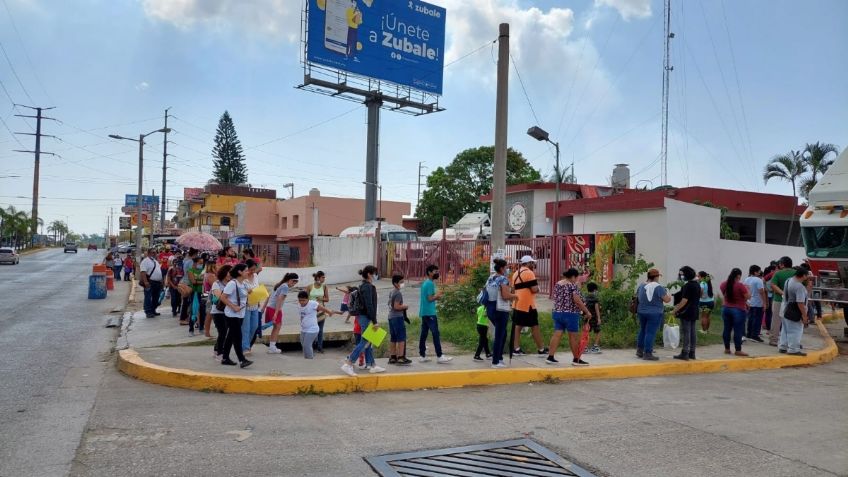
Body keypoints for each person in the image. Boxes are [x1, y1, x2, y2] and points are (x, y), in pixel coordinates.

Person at [341, 266, 385, 375]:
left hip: (364, 316)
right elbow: (369, 305)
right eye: (375, 273)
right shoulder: (367, 287)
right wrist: (374, 321)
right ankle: (349, 363)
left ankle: (372, 365)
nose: (376, 276)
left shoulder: (364, 286)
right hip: (366, 317)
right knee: (365, 341)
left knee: (368, 342)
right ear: (370, 274)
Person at [547, 268, 593, 366]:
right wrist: (587, 311)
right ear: (573, 277)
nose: (576, 280)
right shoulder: (572, 286)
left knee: (557, 334)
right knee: (573, 336)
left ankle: (550, 357)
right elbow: (577, 300)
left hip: (557, 312)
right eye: (576, 278)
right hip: (570, 314)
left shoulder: (558, 284)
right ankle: (576, 359)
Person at [510, 256, 548, 357]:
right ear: (528, 263)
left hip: (517, 304)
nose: (533, 265)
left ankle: (516, 349)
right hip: (528, 305)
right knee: (535, 326)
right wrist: (538, 288)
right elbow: (534, 289)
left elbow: (513, 290)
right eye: (532, 263)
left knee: (518, 326)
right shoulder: (529, 273)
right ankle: (541, 349)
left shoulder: (515, 274)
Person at [219, 263, 252, 368]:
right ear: (240, 272)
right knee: (238, 337)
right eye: (246, 270)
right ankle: (242, 360)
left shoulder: (244, 283)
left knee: (231, 336)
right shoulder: (232, 284)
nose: (248, 272)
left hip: (240, 314)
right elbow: (223, 297)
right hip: (232, 314)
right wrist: (233, 306)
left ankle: (225, 358)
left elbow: (247, 294)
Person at [418, 264, 453, 363]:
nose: (437, 273)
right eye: (435, 272)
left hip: (425, 312)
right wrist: (438, 296)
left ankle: (422, 355)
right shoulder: (429, 284)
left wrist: (436, 296)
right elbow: (430, 299)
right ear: (429, 272)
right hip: (430, 313)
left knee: (424, 334)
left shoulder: (425, 283)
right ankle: (440, 355)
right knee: (435, 333)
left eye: (437, 271)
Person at [635, 268, 671, 360]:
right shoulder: (658, 287)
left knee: (642, 330)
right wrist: (669, 296)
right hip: (654, 313)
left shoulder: (642, 285)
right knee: (650, 332)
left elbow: (638, 297)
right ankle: (648, 353)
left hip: (641, 311)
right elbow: (666, 300)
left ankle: (639, 350)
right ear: (656, 277)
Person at [486, 258, 516, 368]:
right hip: (500, 309)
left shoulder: (490, 278)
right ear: (502, 268)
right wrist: (516, 296)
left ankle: (499, 357)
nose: (507, 269)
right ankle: (495, 361)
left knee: (503, 334)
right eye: (506, 267)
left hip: (490, 308)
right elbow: (505, 296)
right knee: (499, 335)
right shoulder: (503, 279)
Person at [296, 291, 340, 359]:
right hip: (303, 329)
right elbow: (302, 316)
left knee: (307, 345)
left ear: (308, 299)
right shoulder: (298, 305)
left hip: (312, 329)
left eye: (303, 300)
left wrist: (329, 312)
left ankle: (310, 360)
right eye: (300, 300)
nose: (301, 302)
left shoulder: (312, 303)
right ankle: (306, 360)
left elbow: (322, 308)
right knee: (304, 346)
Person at [778, 267, 810, 356]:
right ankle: (793, 349)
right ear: (803, 275)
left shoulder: (789, 281)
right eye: (807, 275)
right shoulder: (799, 286)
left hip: (785, 308)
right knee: (795, 330)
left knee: (785, 329)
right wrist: (804, 315)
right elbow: (800, 302)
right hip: (794, 310)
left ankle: (783, 346)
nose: (807, 277)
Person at [672, 266, 701, 360]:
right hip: (694, 310)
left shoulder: (688, 286)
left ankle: (685, 352)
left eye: (682, 275)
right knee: (692, 332)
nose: (681, 277)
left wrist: (675, 310)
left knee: (686, 332)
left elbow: (684, 301)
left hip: (686, 312)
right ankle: (692, 352)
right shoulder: (697, 284)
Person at [720, 268, 751, 357]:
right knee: (738, 330)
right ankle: (738, 350)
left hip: (726, 308)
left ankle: (727, 348)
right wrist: (748, 290)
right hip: (738, 309)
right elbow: (747, 297)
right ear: (738, 276)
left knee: (726, 329)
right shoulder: (740, 285)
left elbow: (724, 294)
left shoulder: (723, 284)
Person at [265, 273, 298, 354]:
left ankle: (272, 346)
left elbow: (269, 296)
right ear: (290, 280)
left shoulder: (279, 284)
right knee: (277, 327)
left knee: (275, 327)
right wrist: (276, 312)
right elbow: (280, 299)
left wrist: (263, 308)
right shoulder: (285, 287)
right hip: (275, 309)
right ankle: (272, 347)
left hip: (270, 307)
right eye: (294, 282)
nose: (294, 285)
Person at [769, 256, 795, 346]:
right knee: (791, 321)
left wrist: (783, 293)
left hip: (778, 300)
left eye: (779, 263)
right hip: (793, 301)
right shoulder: (796, 273)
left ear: (782, 264)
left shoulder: (778, 273)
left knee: (776, 320)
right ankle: (790, 341)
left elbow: (772, 285)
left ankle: (773, 340)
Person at [209, 264, 232, 361]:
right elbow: (220, 296)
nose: (230, 274)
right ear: (224, 273)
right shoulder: (216, 284)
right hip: (217, 312)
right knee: (222, 332)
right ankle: (219, 353)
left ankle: (216, 350)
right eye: (229, 272)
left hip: (227, 311)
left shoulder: (231, 283)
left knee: (224, 332)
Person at [388, 274, 412, 365]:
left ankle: (393, 357)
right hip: (397, 317)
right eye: (401, 282)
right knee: (401, 338)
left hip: (391, 317)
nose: (403, 283)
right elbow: (396, 306)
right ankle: (401, 357)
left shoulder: (392, 292)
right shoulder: (398, 293)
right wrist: (405, 306)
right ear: (395, 283)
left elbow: (390, 305)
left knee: (393, 338)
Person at [240, 259, 263, 354]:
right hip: (245, 306)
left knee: (254, 326)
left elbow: (257, 288)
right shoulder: (242, 279)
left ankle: (245, 345)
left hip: (255, 304)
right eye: (251, 270)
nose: (253, 272)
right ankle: (245, 347)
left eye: (254, 269)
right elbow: (240, 291)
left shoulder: (256, 276)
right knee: (245, 328)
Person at [306, 271, 330, 353]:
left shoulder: (324, 287)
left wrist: (321, 299)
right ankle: (310, 346)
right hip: (311, 311)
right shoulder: (309, 287)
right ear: (318, 278)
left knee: (320, 329)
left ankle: (320, 347)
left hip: (321, 310)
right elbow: (305, 299)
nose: (324, 279)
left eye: (324, 277)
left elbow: (327, 299)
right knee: (311, 329)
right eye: (322, 277)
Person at [743, 265, 767, 343]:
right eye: (759, 271)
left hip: (749, 301)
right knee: (757, 319)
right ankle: (755, 335)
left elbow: (745, 290)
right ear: (755, 272)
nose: (760, 272)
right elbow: (761, 292)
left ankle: (749, 334)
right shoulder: (758, 280)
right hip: (757, 302)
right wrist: (764, 303)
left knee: (750, 318)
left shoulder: (746, 279)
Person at [140, 248, 164, 319]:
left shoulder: (155, 261)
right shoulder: (145, 261)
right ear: (149, 253)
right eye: (153, 252)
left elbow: (158, 271)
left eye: (155, 252)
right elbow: (143, 272)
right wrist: (145, 282)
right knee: (148, 297)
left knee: (156, 297)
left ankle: (153, 310)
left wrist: (161, 281)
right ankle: (148, 312)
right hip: (150, 282)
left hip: (157, 283)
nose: (155, 254)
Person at [584, 282, 603, 354]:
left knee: (586, 332)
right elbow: (597, 309)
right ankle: (595, 346)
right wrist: (599, 318)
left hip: (587, 317)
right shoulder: (595, 298)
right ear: (595, 290)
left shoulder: (585, 297)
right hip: (594, 317)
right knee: (598, 331)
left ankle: (585, 347)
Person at [165, 251, 184, 317]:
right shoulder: (171, 269)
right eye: (174, 262)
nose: (176, 263)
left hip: (179, 286)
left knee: (179, 298)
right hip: (172, 286)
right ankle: (174, 310)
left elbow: (182, 278)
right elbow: (169, 279)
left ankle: (178, 309)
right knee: (173, 299)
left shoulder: (180, 269)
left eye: (177, 262)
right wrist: (173, 286)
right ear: (172, 263)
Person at [202, 261, 218, 338]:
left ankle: (207, 331)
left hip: (208, 294)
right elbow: (215, 285)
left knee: (209, 314)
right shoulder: (211, 276)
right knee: (209, 315)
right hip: (211, 295)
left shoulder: (206, 274)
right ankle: (207, 332)